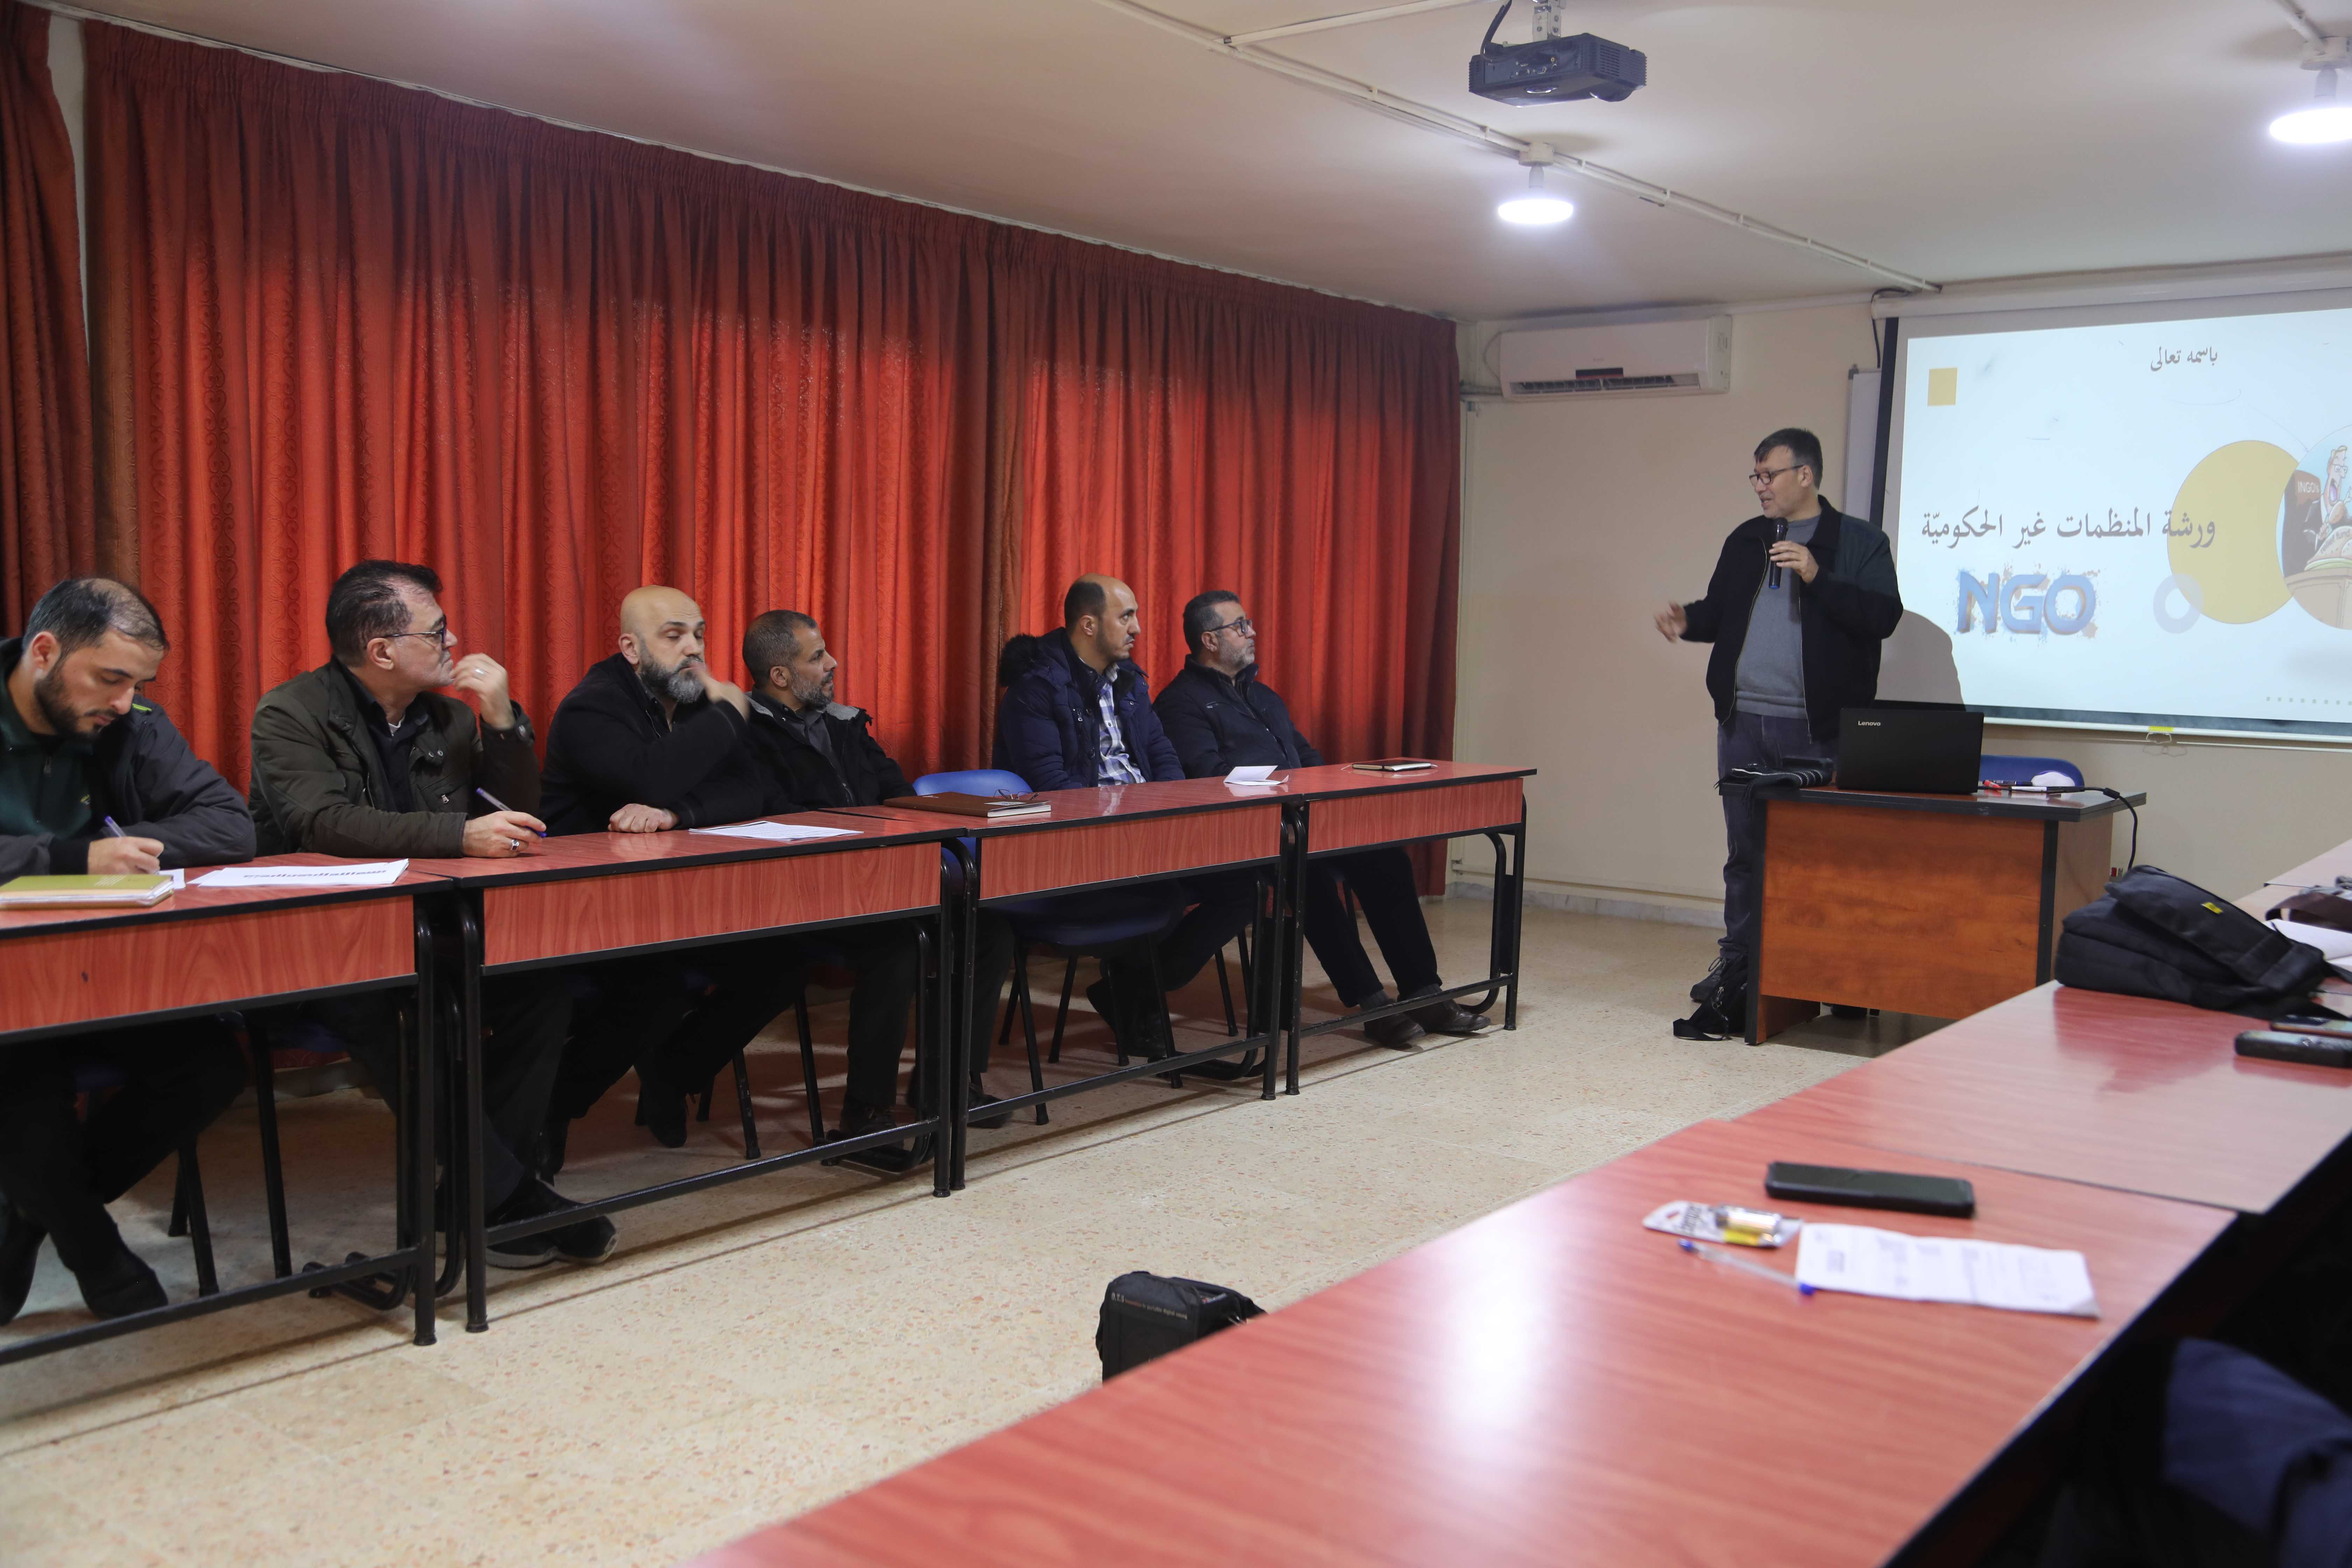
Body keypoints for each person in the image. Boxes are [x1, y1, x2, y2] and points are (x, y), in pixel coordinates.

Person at [248, 560, 612, 1268]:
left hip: (437, 924)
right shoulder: (291, 712)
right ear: (382, 650)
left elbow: (516, 816)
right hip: (327, 941)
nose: (454, 643)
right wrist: (456, 836)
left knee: (542, 990)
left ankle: (473, 1197)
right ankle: (511, 1198)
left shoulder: (448, 715)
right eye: (437, 631)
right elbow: (320, 822)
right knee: (396, 1014)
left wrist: (503, 722)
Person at [0, 580, 253, 1323]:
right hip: (8, 984)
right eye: (110, 678)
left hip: (102, 966)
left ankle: (29, 1218)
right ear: (45, 651)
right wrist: (72, 857)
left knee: (210, 1065)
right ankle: (97, 1254)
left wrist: (128, 848)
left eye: (139, 683)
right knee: (21, 1079)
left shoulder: (129, 720)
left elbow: (230, 824)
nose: (124, 700)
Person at [535, 587, 804, 1166]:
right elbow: (649, 777)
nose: (693, 649)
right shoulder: (591, 707)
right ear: (631, 648)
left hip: (679, 899)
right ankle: (548, 1109)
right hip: (585, 907)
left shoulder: (697, 702)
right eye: (674, 635)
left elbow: (754, 790)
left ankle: (673, 1072)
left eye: (699, 634)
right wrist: (730, 712)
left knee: (782, 961)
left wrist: (680, 813)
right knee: (654, 994)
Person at [1154, 591, 1490, 1049]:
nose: (1252, 632)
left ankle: (1424, 992)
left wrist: (1333, 788)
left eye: (1249, 623)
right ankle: (1372, 1004)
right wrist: (1285, 793)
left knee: (1386, 859)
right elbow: (1208, 777)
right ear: (1209, 640)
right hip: (1247, 834)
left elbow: (1306, 755)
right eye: (1240, 626)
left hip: (1305, 820)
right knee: (1306, 875)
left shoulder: (1264, 697)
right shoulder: (1181, 703)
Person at [740, 609, 1016, 1157]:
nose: (833, 663)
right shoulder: (747, 734)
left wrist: (946, 813)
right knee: (899, 945)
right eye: (817, 657)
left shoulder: (846, 724)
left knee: (988, 930)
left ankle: (945, 1083)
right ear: (779, 676)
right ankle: (865, 1113)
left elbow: (894, 788)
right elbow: (771, 814)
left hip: (882, 881)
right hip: (805, 892)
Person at [1654, 429, 1900, 1038]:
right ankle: (1739, 970)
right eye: (1756, 476)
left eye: (1770, 475)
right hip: (1743, 722)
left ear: (1805, 475)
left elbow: (1882, 617)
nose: (1760, 486)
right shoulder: (1748, 539)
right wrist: (1689, 621)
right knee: (1745, 855)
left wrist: (1817, 575)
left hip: (1816, 730)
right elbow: (1722, 612)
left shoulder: (1859, 542)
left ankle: (1832, 977)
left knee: (1821, 861)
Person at [994, 574, 1259, 1059]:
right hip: (1077, 845)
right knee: (1162, 894)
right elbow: (1051, 786)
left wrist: (1170, 809)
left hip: (1146, 834)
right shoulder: (1036, 690)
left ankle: (1129, 990)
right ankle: (1139, 1005)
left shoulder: (1130, 682)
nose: (1138, 628)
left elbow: (1162, 754)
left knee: (1247, 884)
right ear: (1089, 625)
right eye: (1127, 617)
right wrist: (1128, 823)